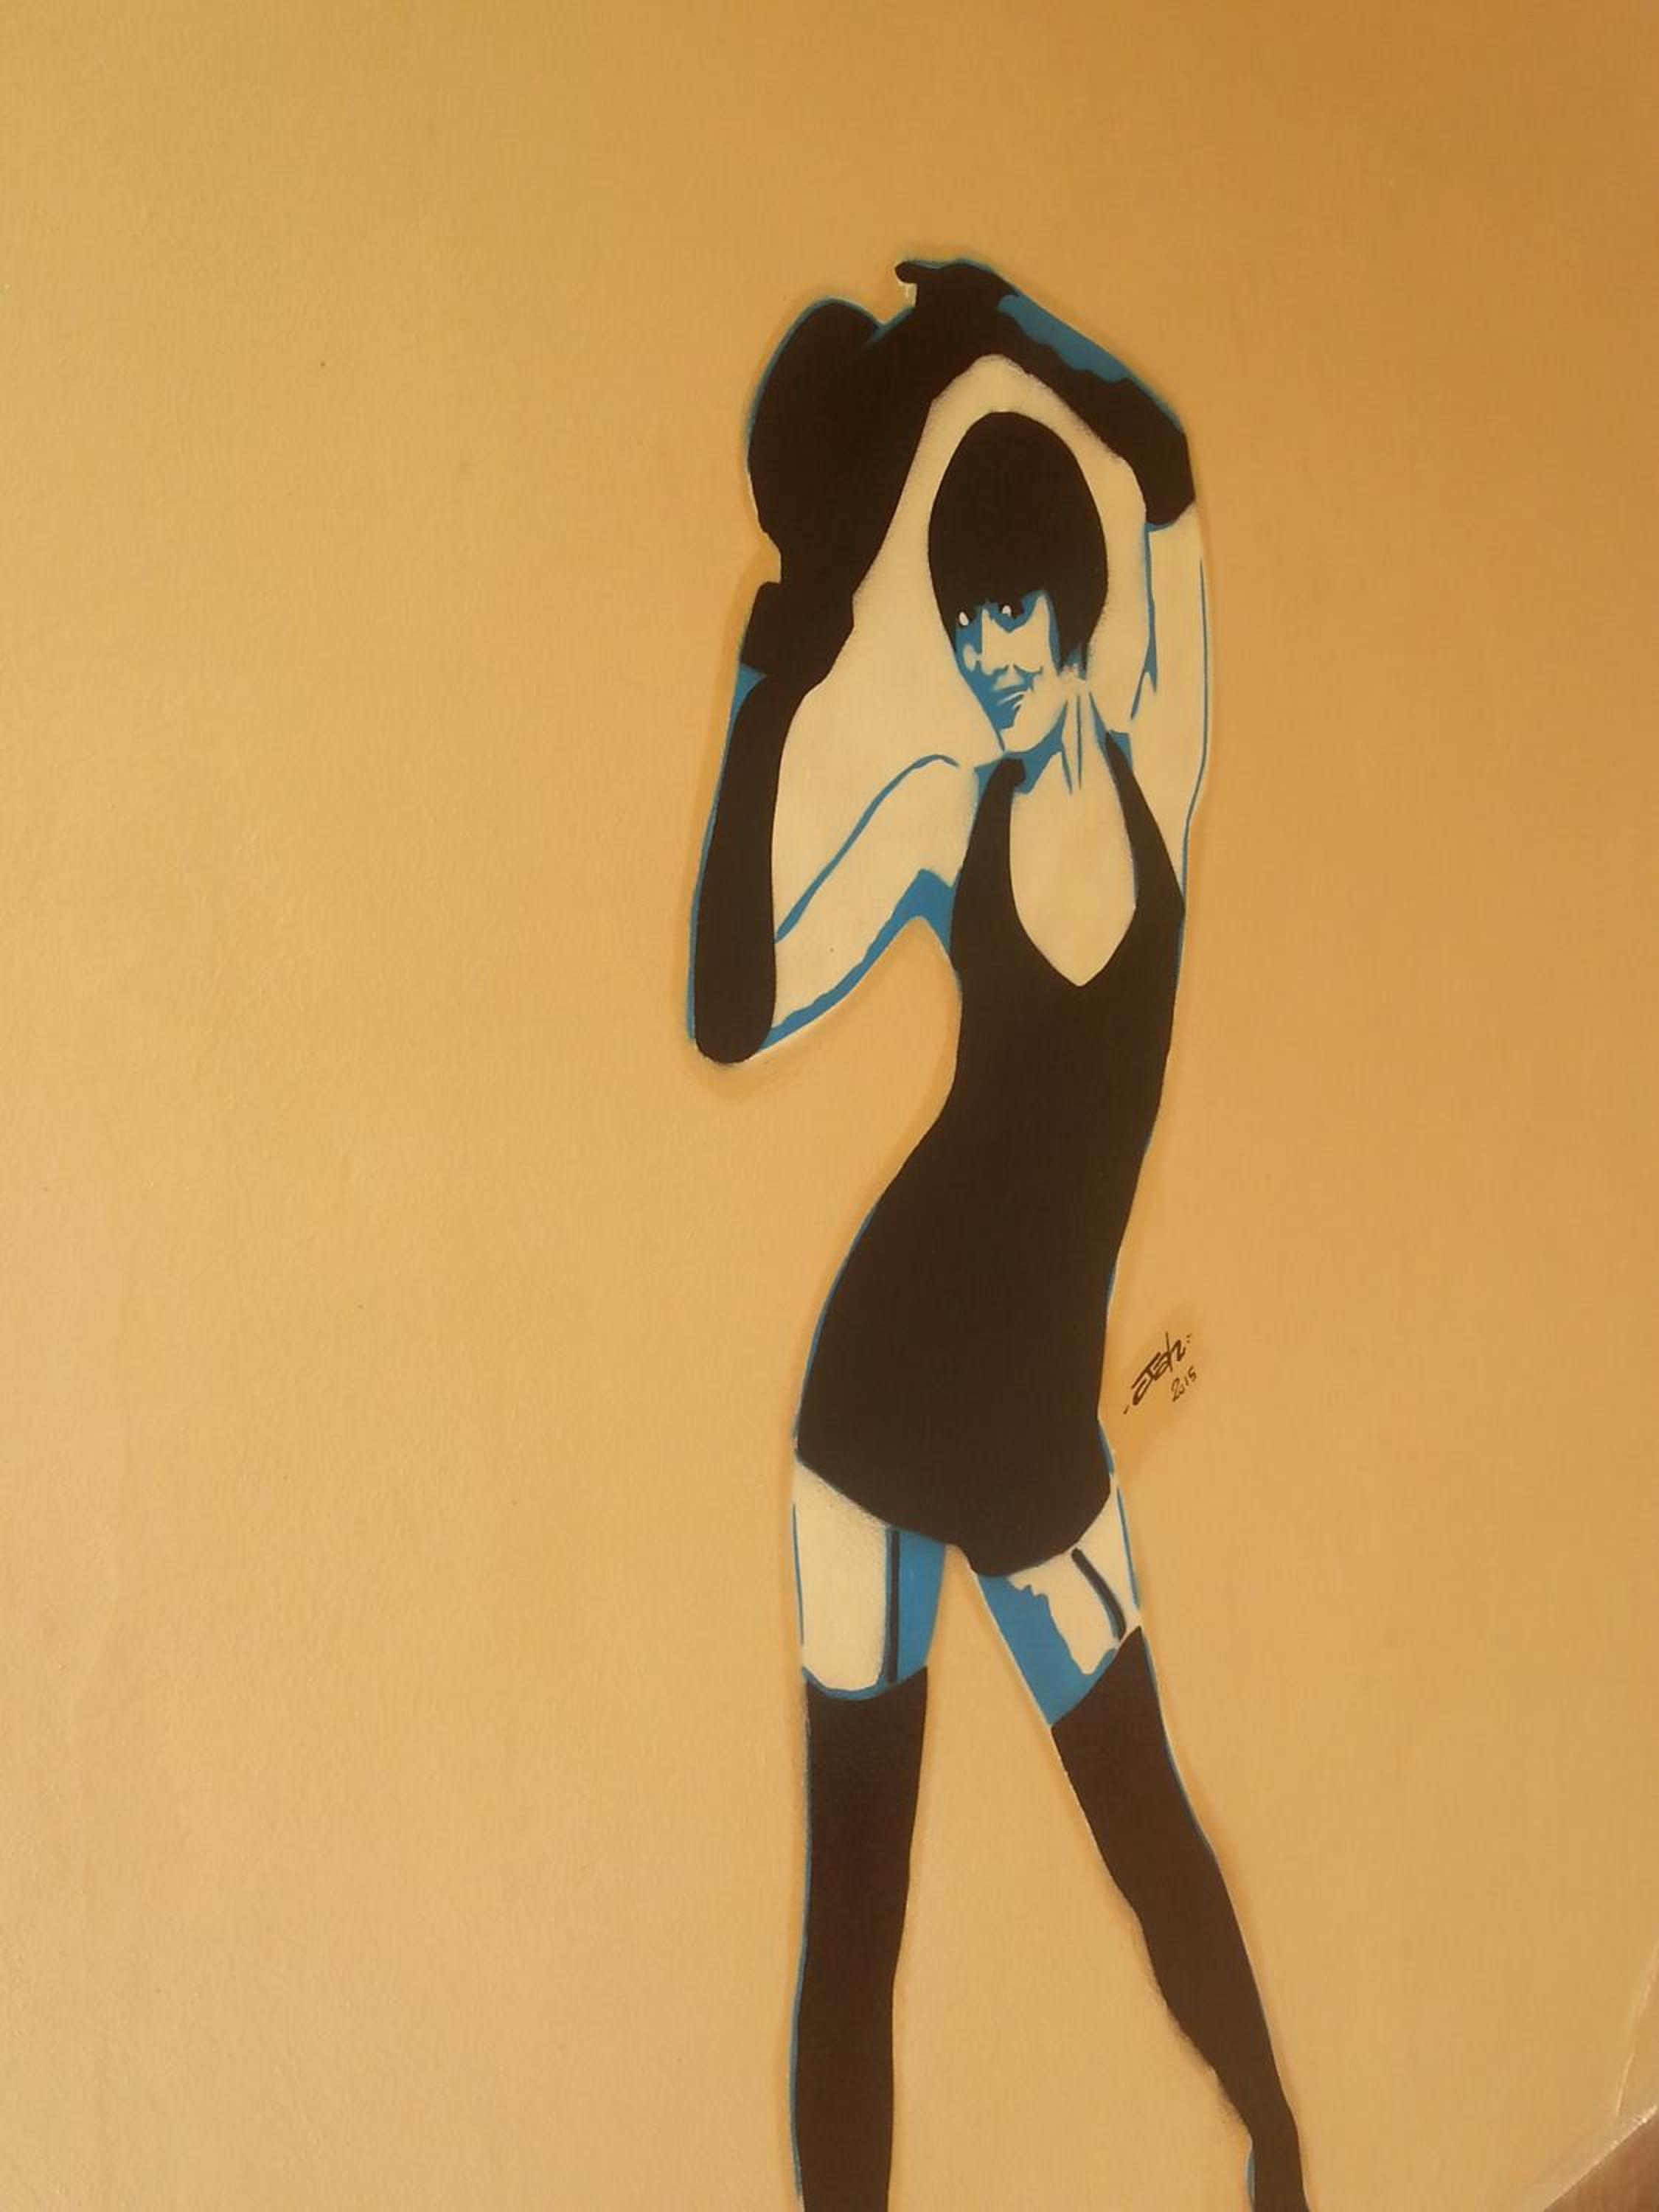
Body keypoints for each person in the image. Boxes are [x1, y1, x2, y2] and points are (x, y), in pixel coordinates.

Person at [689, 260, 1310, 2212]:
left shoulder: (1160, 767)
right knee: (855, 1906)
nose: (984, 656)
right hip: (875, 1405)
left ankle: (1281, 2154)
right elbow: (729, 1008)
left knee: (1143, 1824)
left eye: (1008, 615)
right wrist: (779, 657)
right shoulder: (935, 816)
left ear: (1071, 603)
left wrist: (997, 324)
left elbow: (1165, 454)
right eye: (963, 627)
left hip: (1034, 1428)